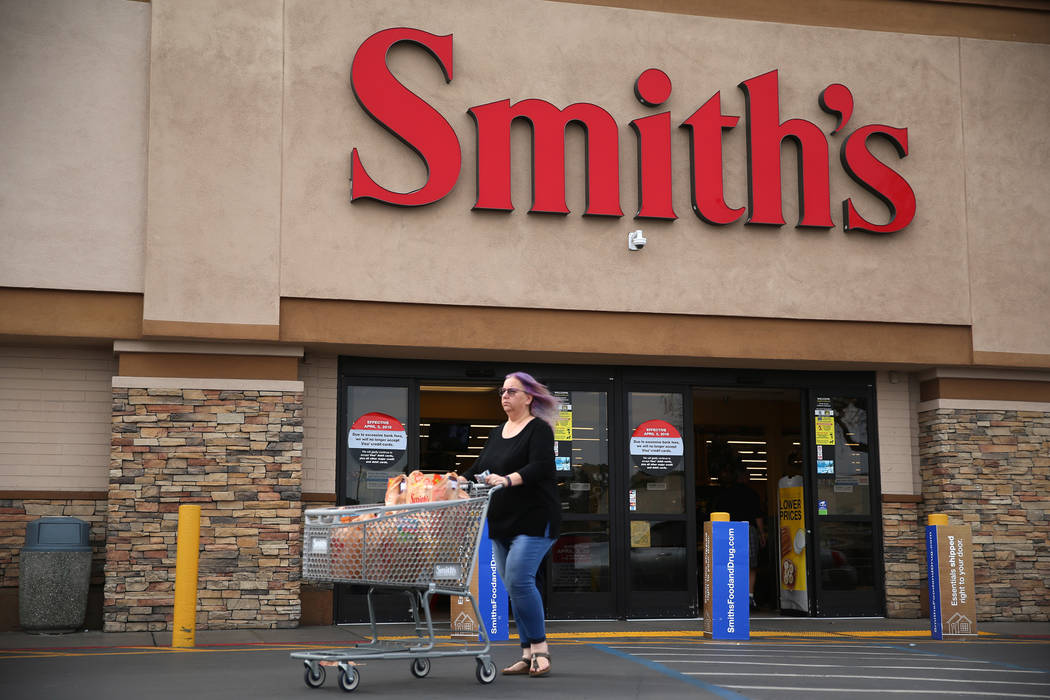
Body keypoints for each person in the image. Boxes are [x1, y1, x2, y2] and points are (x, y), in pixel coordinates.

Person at [459, 372, 560, 678]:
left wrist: (507, 480)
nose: (504, 396)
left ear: (528, 397)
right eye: (502, 391)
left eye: (511, 391)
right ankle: (527, 653)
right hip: (502, 521)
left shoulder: (538, 430)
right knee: (513, 588)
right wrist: (455, 480)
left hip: (534, 519)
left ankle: (541, 650)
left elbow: (541, 466)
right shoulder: (496, 432)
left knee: (519, 581)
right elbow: (478, 466)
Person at [712, 464, 767, 610]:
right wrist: (762, 534)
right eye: (747, 475)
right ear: (743, 477)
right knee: (751, 565)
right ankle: (749, 596)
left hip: (727, 530)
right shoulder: (752, 493)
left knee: (730, 564)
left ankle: (731, 595)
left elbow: (717, 513)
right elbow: (758, 515)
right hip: (748, 530)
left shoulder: (725, 494)